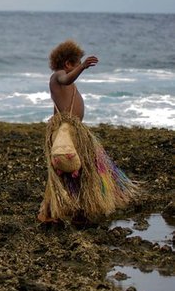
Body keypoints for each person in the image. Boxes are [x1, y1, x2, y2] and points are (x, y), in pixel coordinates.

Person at [38, 40, 138, 225]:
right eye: (76, 63)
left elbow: (58, 107)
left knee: (82, 172)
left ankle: (79, 212)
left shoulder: (66, 84)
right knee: (65, 173)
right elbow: (66, 79)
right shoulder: (59, 76)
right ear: (68, 64)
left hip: (74, 131)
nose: (77, 67)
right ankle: (51, 212)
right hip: (67, 132)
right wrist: (83, 67)